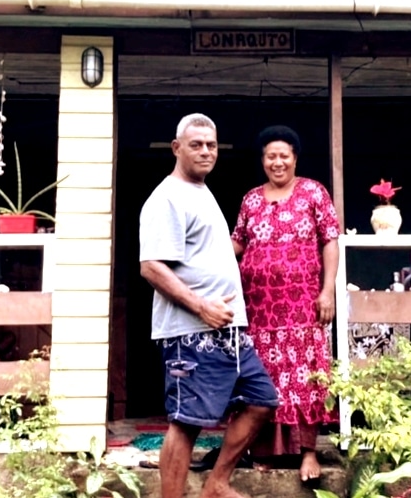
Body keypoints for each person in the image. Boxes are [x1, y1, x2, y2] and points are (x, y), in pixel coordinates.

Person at [139, 113, 279, 498]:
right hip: (191, 332)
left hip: (229, 330)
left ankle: (216, 483)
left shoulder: (202, 192)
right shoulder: (166, 197)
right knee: (186, 422)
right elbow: (151, 267)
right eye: (196, 144)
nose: (206, 152)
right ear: (177, 148)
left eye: (212, 145)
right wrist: (201, 306)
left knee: (262, 400)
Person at [231, 125, 340, 483]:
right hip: (259, 309)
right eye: (270, 156)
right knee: (263, 379)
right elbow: (237, 245)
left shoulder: (313, 192)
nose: (277, 162)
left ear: (294, 157)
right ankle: (261, 450)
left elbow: (330, 241)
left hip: (302, 305)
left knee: (304, 376)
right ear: (263, 160)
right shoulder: (250, 199)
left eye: (283, 155)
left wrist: (328, 291)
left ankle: (308, 453)